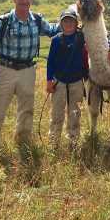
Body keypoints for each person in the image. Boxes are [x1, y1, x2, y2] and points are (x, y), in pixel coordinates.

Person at [0, 0, 60, 156]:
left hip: (28, 70)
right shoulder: (4, 20)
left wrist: (71, 17)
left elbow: (53, 30)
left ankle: (22, 143)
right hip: (5, 69)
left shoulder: (37, 20)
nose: (24, 0)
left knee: (26, 109)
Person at [46, 9, 88, 150]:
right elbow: (50, 62)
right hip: (59, 83)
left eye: (71, 21)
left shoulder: (82, 37)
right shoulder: (56, 40)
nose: (68, 23)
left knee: (75, 114)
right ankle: (53, 143)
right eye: (65, 21)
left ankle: (73, 143)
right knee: (57, 114)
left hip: (76, 82)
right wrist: (48, 81)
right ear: (61, 23)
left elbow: (97, 37)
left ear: (76, 23)